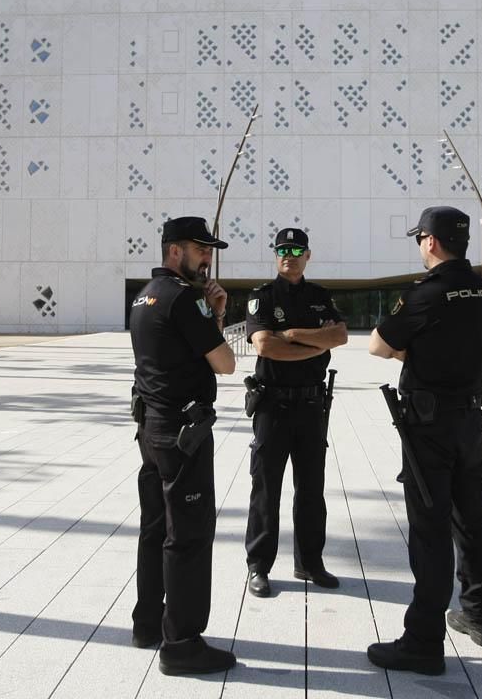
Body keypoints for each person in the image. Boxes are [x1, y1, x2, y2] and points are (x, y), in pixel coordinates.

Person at [365, 206, 482, 676]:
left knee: (430, 530)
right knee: (472, 521)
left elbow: (378, 345)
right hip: (469, 421)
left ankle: (422, 642)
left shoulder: (427, 293)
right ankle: (479, 615)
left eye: (420, 238)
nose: (420, 245)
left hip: (429, 427)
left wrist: (414, 349)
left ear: (431, 242)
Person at [129, 216, 237, 676]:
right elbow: (226, 363)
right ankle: (183, 644)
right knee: (188, 536)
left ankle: (148, 624)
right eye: (201, 248)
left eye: (209, 249)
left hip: (152, 430)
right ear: (175, 250)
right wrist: (215, 313)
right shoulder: (181, 299)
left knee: (154, 529)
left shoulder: (145, 295)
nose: (208, 257)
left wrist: (207, 312)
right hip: (182, 436)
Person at [243, 228, 348, 598]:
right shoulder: (262, 297)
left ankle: (309, 562)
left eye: (297, 249)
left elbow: (339, 337)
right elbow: (265, 346)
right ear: (275, 255)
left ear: (308, 255)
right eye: (282, 249)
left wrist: (291, 335)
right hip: (272, 405)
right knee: (266, 488)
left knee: (311, 489)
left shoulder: (320, 296)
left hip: (311, 405)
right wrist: (312, 344)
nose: (289, 254)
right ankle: (259, 566)